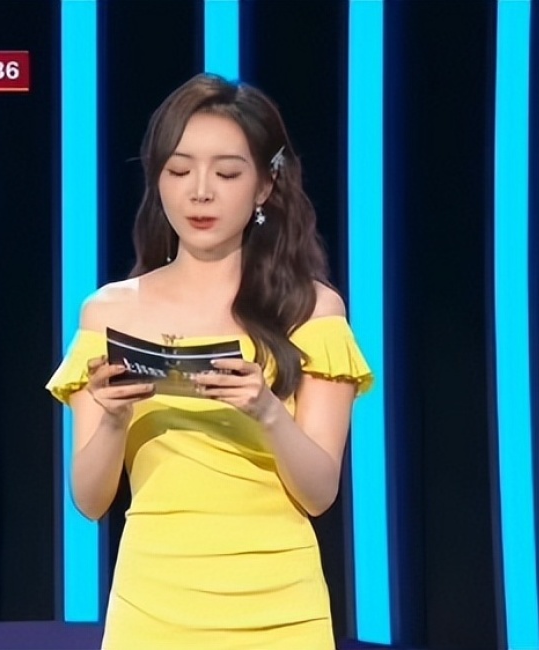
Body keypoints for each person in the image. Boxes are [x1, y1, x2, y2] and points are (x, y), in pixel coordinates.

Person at [46, 73, 373, 649]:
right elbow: (90, 501)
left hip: (279, 608)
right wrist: (115, 420)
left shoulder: (312, 309)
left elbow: (319, 493)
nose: (200, 192)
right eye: (179, 171)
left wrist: (267, 412)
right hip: (153, 606)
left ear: (265, 185)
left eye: (226, 173)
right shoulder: (109, 313)